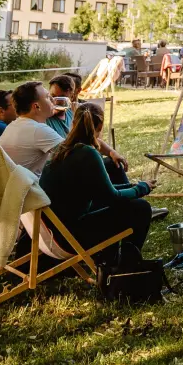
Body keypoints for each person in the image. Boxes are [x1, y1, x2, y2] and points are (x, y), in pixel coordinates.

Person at [38, 101, 157, 263]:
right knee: (140, 208)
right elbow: (112, 197)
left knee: (126, 202)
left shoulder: (63, 147)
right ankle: (128, 265)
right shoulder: (87, 153)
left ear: (73, 123)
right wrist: (142, 188)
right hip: (68, 238)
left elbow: (101, 190)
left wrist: (132, 186)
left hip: (52, 231)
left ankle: (114, 258)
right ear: (100, 128)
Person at [0, 81, 64, 175]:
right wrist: (78, 120)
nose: (53, 100)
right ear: (37, 106)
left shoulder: (13, 126)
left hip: (15, 186)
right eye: (48, 97)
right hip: (31, 188)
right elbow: (76, 156)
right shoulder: (38, 130)